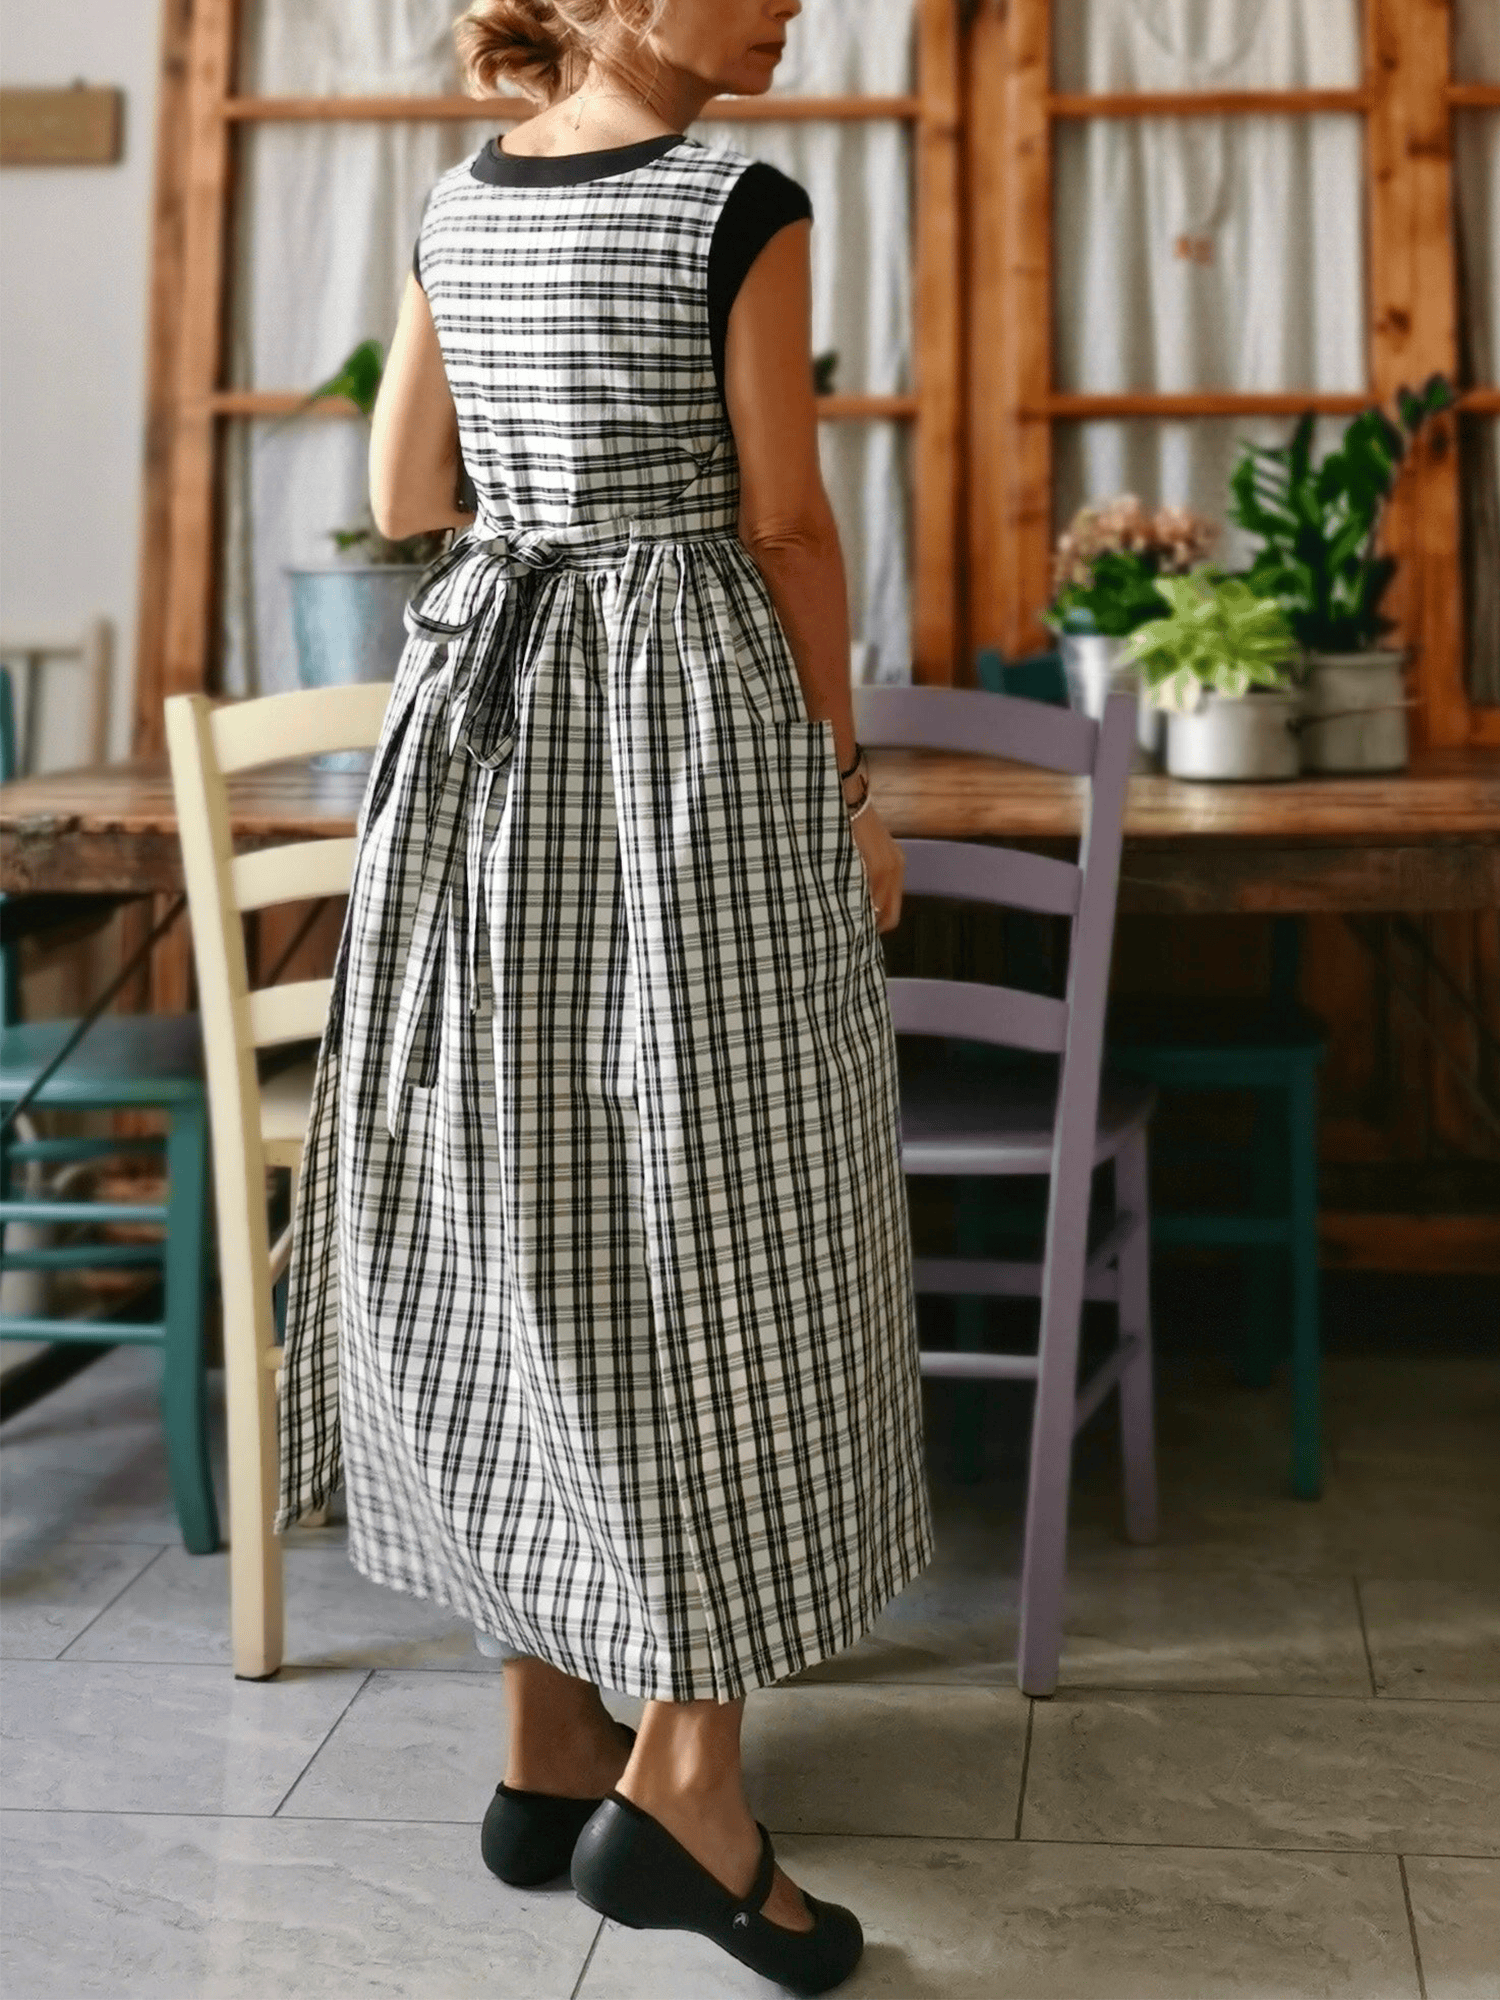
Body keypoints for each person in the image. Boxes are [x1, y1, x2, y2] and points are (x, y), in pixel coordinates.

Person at [275, 0, 933, 1989]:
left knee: (518, 1214)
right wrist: (843, 782)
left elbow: (409, 494)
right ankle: (688, 1786)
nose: (792, 7)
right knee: (730, 1219)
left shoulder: (460, 198)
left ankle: (545, 1746)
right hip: (688, 755)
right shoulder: (738, 199)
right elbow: (788, 520)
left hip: (479, 747)